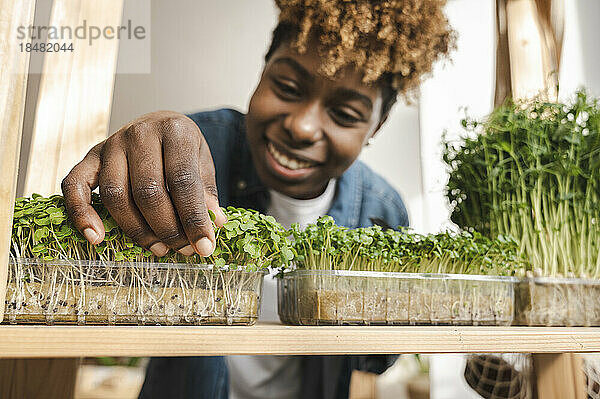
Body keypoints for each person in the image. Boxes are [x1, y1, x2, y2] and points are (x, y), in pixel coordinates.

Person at [61, 1, 454, 398]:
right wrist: (144, 136)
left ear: (377, 125)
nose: (302, 127)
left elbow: (374, 362)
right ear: (263, 69)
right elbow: (158, 141)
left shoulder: (382, 213)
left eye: (345, 114)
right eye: (287, 88)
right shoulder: (200, 153)